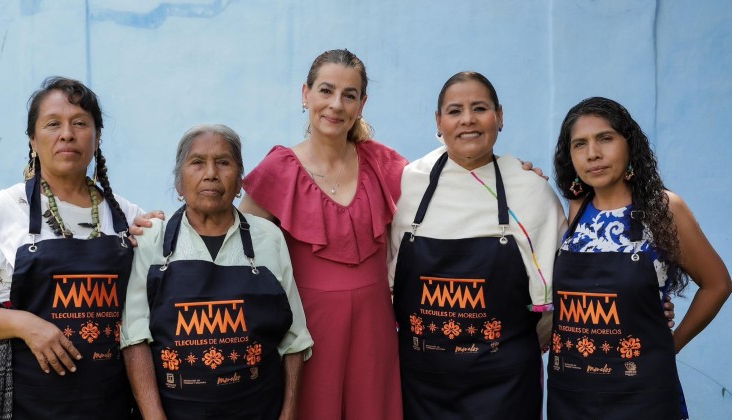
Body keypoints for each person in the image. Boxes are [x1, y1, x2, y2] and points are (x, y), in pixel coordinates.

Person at [0, 77, 143, 419]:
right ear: (33, 140)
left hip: (107, 403)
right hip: (19, 405)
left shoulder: (127, 218)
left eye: (80, 123)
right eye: (53, 124)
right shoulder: (1, 213)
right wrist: (26, 324)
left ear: (97, 138)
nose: (67, 134)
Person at [388, 71, 566, 419]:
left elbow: (555, 298)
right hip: (422, 383)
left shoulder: (529, 190)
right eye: (454, 111)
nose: (467, 119)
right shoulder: (407, 184)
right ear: (438, 122)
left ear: (499, 116)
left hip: (504, 386)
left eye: (479, 108)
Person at [240, 49, 406, 419]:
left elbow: (443, 191)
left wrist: (512, 175)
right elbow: (233, 241)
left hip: (375, 330)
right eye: (326, 91)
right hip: (308, 334)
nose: (336, 105)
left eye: (349, 95)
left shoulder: (384, 164)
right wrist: (156, 226)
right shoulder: (277, 170)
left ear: (362, 103)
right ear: (306, 94)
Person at [547, 97, 732, 419]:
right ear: (571, 157)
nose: (593, 153)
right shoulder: (575, 212)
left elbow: (717, 284)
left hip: (642, 396)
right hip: (571, 392)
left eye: (605, 138)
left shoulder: (663, 208)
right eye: (580, 144)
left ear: (629, 145)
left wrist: (670, 345)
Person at [121, 124, 313, 420]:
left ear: (239, 182)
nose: (211, 173)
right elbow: (134, 338)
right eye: (197, 162)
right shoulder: (152, 240)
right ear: (179, 184)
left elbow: (295, 340)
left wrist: (287, 415)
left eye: (223, 162)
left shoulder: (268, 238)